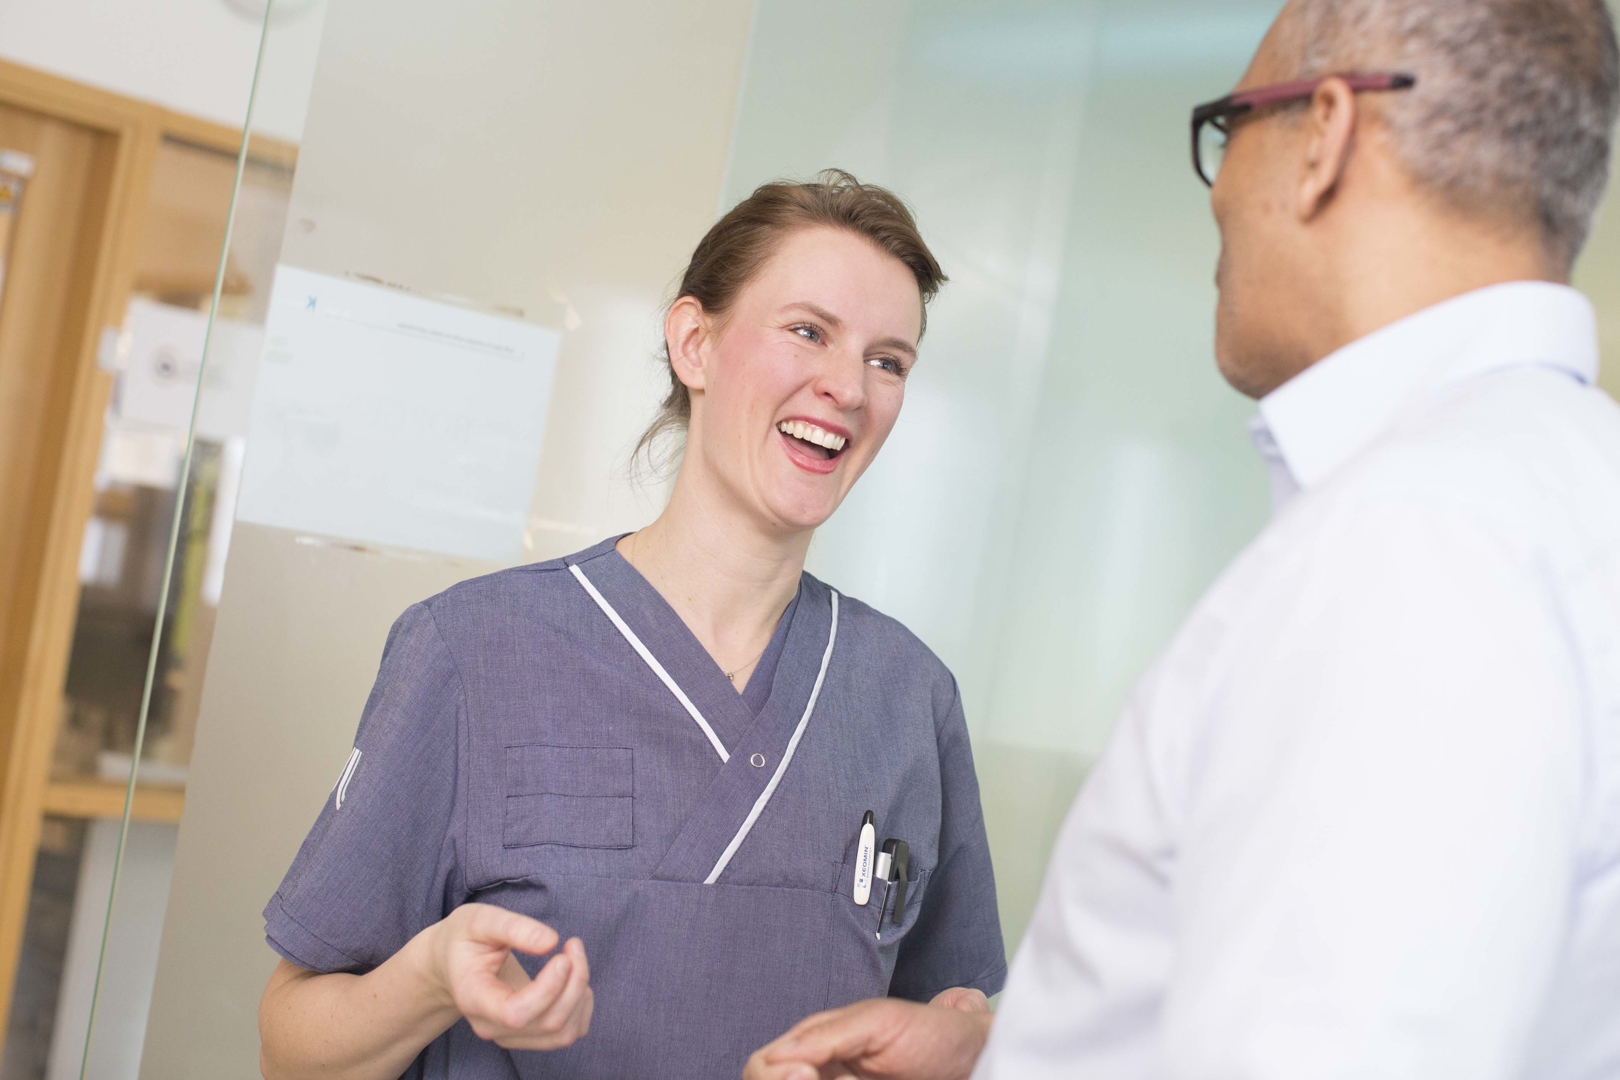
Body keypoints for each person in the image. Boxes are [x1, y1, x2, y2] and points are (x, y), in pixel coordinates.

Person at [747, 1, 1620, 1078]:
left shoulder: (1411, 547)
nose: (1217, 201)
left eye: (1232, 125)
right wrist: (997, 1052)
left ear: (1324, 136)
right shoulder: (1569, 486)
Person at [255, 170, 1007, 1080]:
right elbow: (291, 1046)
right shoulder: (474, 651)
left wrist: (973, 1045)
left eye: (888, 361)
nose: (847, 386)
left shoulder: (906, 696)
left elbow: (948, 1010)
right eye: (808, 331)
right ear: (695, 342)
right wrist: (431, 978)